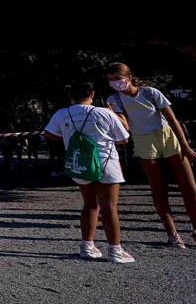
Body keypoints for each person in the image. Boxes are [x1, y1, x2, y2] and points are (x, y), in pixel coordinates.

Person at [105, 62, 196, 248]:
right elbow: (125, 127)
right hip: (143, 139)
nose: (114, 83)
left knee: (188, 184)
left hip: (166, 135)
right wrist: (113, 113)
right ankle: (172, 233)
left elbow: (172, 119)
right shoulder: (115, 99)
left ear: (129, 77)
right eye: (110, 80)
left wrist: (186, 146)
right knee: (158, 187)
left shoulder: (150, 92)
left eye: (117, 79)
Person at [44, 81, 134, 262]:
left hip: (80, 164)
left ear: (70, 96)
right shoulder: (104, 112)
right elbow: (124, 138)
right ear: (92, 93)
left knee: (90, 204)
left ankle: (87, 245)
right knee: (109, 207)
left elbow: (49, 134)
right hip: (105, 161)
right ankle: (115, 250)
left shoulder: (63, 113)